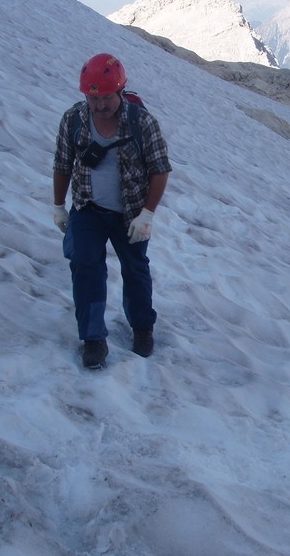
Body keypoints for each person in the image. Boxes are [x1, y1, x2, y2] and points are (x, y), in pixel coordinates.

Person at [52, 53, 171, 368]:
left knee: (135, 269)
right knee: (85, 266)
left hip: (131, 212)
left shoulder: (142, 123)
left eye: (105, 97)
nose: (99, 104)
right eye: (93, 97)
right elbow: (62, 164)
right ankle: (93, 338)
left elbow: (160, 170)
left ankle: (142, 326)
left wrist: (147, 214)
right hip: (88, 208)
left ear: (120, 92)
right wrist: (58, 206)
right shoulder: (74, 120)